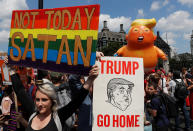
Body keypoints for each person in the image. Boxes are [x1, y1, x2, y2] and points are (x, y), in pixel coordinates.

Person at [10, 64, 99, 131]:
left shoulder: (58, 117)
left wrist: (90, 79)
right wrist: (10, 68)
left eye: (44, 100)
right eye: (37, 99)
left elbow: (77, 101)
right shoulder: (33, 113)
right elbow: (20, 91)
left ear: (52, 100)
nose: (40, 103)